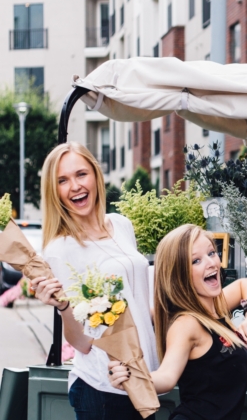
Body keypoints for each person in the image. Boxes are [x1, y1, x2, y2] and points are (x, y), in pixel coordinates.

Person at [31, 142, 159, 420]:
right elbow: (83, 342)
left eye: (81, 174)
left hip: (142, 377)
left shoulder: (121, 225)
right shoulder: (60, 249)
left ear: (95, 175)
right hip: (102, 387)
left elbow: (139, 305)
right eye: (62, 181)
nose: (74, 186)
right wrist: (63, 307)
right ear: (55, 192)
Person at [108, 224, 247, 420]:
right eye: (196, 260)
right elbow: (166, 377)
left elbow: (246, 284)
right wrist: (131, 376)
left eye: (212, 253)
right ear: (178, 274)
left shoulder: (216, 306)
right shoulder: (187, 323)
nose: (211, 263)